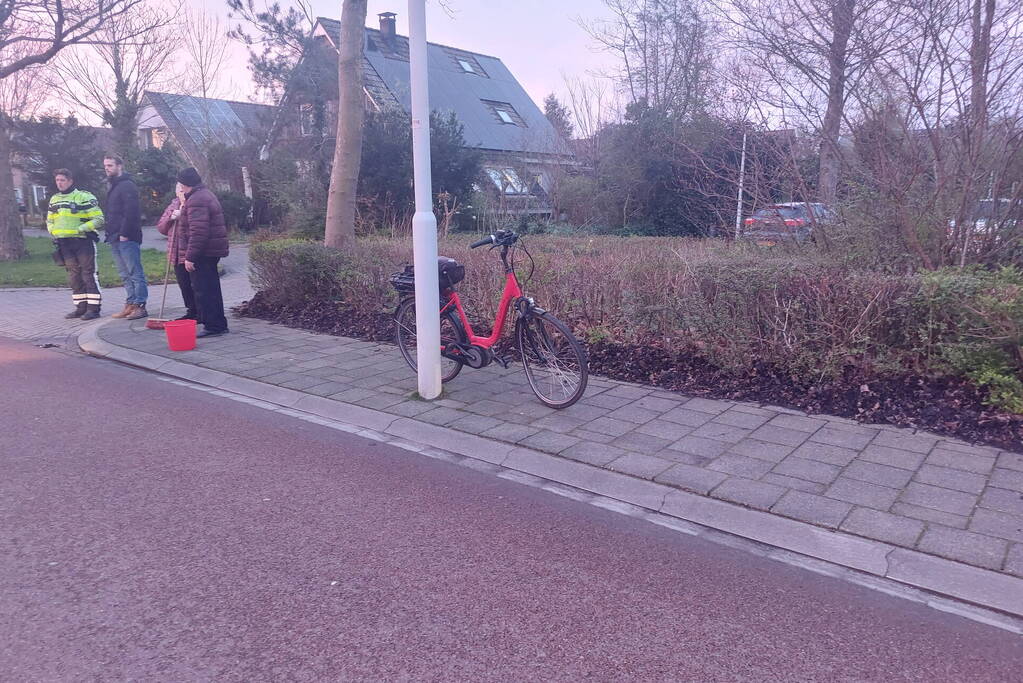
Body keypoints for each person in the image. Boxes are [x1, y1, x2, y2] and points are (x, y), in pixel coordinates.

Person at [176, 167, 229, 337]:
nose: (180, 187)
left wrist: (190, 257)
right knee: (211, 288)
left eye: (181, 184)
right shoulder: (204, 194)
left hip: (203, 253)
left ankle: (213, 326)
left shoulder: (196, 200)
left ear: (185, 184)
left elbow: (198, 232)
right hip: (210, 250)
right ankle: (218, 324)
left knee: (204, 290)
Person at [46, 169, 105, 320]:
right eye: (57, 180)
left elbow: (98, 219)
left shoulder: (83, 197)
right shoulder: (54, 199)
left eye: (62, 180)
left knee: (88, 274)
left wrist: (81, 229)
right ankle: (80, 307)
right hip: (64, 243)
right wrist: (53, 231)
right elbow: (50, 220)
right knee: (74, 276)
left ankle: (93, 309)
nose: (59, 183)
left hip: (83, 241)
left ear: (70, 181)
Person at [103, 154, 148, 320]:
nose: (107, 168)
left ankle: (140, 305)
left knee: (135, 272)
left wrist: (125, 233)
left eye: (110, 165)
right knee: (124, 273)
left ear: (119, 165)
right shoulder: (113, 185)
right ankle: (130, 303)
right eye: (106, 165)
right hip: (114, 236)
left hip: (126, 237)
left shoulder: (127, 185)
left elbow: (132, 212)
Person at [155, 184, 197, 321]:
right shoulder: (173, 205)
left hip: (190, 252)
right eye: (178, 190)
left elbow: (196, 226)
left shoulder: (194, 203)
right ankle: (191, 310)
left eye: (183, 189)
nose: (181, 192)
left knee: (195, 284)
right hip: (176, 252)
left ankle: (201, 311)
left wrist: (182, 215)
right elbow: (161, 227)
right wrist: (171, 218)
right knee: (184, 284)